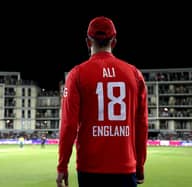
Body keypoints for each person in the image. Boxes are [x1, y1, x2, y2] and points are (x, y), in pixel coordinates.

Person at [56, 16, 148, 187]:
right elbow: (141, 125)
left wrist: (62, 165)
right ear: (113, 42)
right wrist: (140, 165)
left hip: (89, 169)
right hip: (125, 168)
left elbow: (68, 125)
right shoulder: (135, 75)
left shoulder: (76, 74)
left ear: (88, 42)